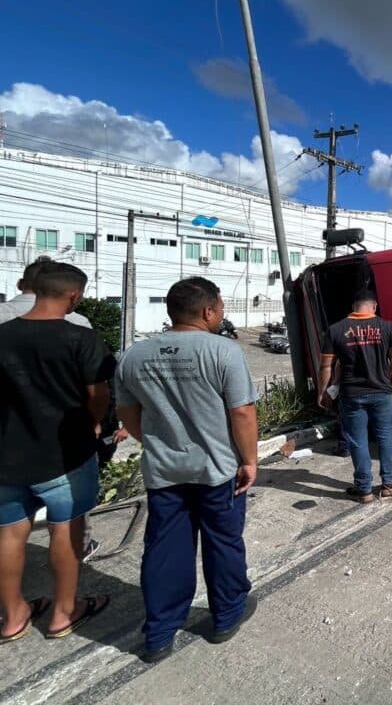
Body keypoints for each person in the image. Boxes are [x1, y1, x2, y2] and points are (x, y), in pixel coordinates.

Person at [115, 277, 260, 662]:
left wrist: (154, 442)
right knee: (223, 540)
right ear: (209, 310)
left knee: (164, 547)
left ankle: (160, 633)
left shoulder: (134, 355)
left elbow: (127, 412)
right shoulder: (224, 352)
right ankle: (227, 616)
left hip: (164, 471)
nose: (223, 313)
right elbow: (242, 412)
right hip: (217, 470)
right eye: (222, 307)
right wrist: (249, 460)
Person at [0, 262, 114, 643]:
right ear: (73, 295)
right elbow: (98, 395)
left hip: (6, 457)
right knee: (65, 531)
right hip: (66, 456)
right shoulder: (81, 337)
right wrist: (93, 424)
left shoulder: (2, 334)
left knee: (10, 536)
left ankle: (14, 616)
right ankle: (64, 613)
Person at [318, 290, 392, 503]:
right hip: (382, 393)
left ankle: (364, 490)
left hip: (351, 395)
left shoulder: (335, 330)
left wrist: (323, 392)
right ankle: (388, 484)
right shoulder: (388, 327)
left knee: (357, 441)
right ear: (374, 306)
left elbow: (325, 366)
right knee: (385, 437)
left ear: (353, 306)